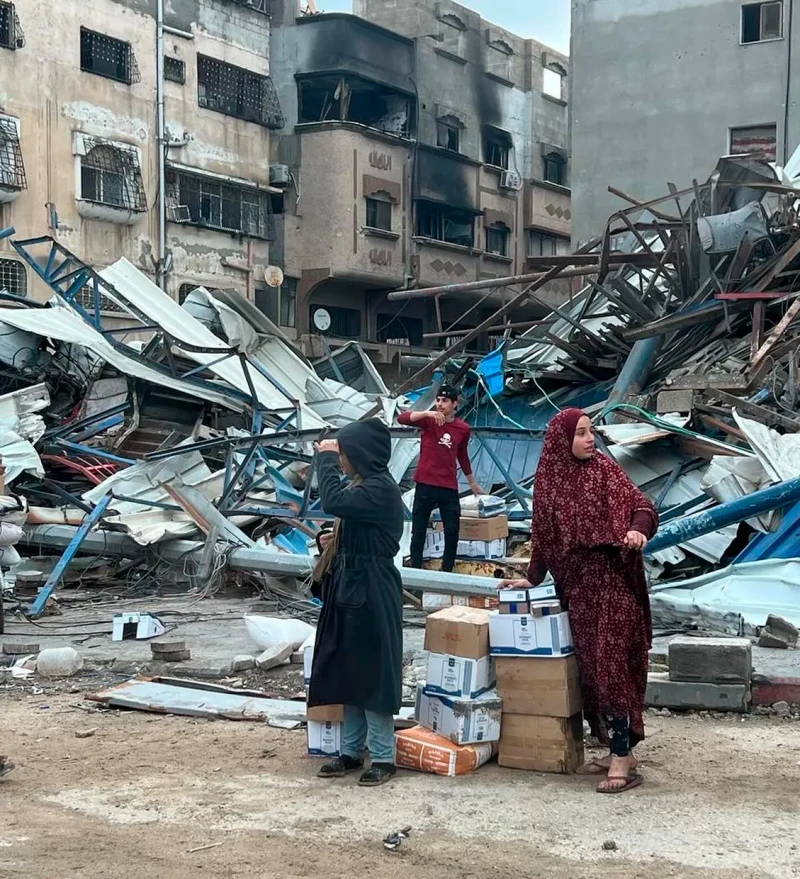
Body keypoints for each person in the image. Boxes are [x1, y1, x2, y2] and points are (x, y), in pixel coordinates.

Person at [500, 408, 658, 794]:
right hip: (577, 591)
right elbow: (544, 537)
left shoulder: (604, 471)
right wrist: (531, 579)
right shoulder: (549, 482)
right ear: (561, 440)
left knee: (611, 669)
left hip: (612, 582)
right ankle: (618, 748)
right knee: (590, 674)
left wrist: (637, 532)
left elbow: (642, 506)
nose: (590, 440)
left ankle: (622, 760)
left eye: (592, 433)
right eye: (582, 433)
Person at [309, 418, 404, 787]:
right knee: (349, 667)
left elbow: (331, 499)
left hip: (372, 587)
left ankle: (383, 756)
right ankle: (351, 750)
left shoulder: (380, 489)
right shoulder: (364, 486)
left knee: (374, 671)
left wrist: (327, 460)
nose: (343, 460)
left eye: (346, 453)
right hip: (349, 585)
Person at [397, 385, 482, 573]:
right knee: (418, 533)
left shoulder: (462, 429)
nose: (440, 404)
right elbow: (402, 418)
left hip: (448, 486)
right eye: (438, 400)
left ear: (454, 404)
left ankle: (446, 572)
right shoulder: (429, 422)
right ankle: (416, 575)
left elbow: (463, 455)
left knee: (452, 532)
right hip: (425, 484)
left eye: (445, 401)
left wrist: (471, 482)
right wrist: (427, 414)